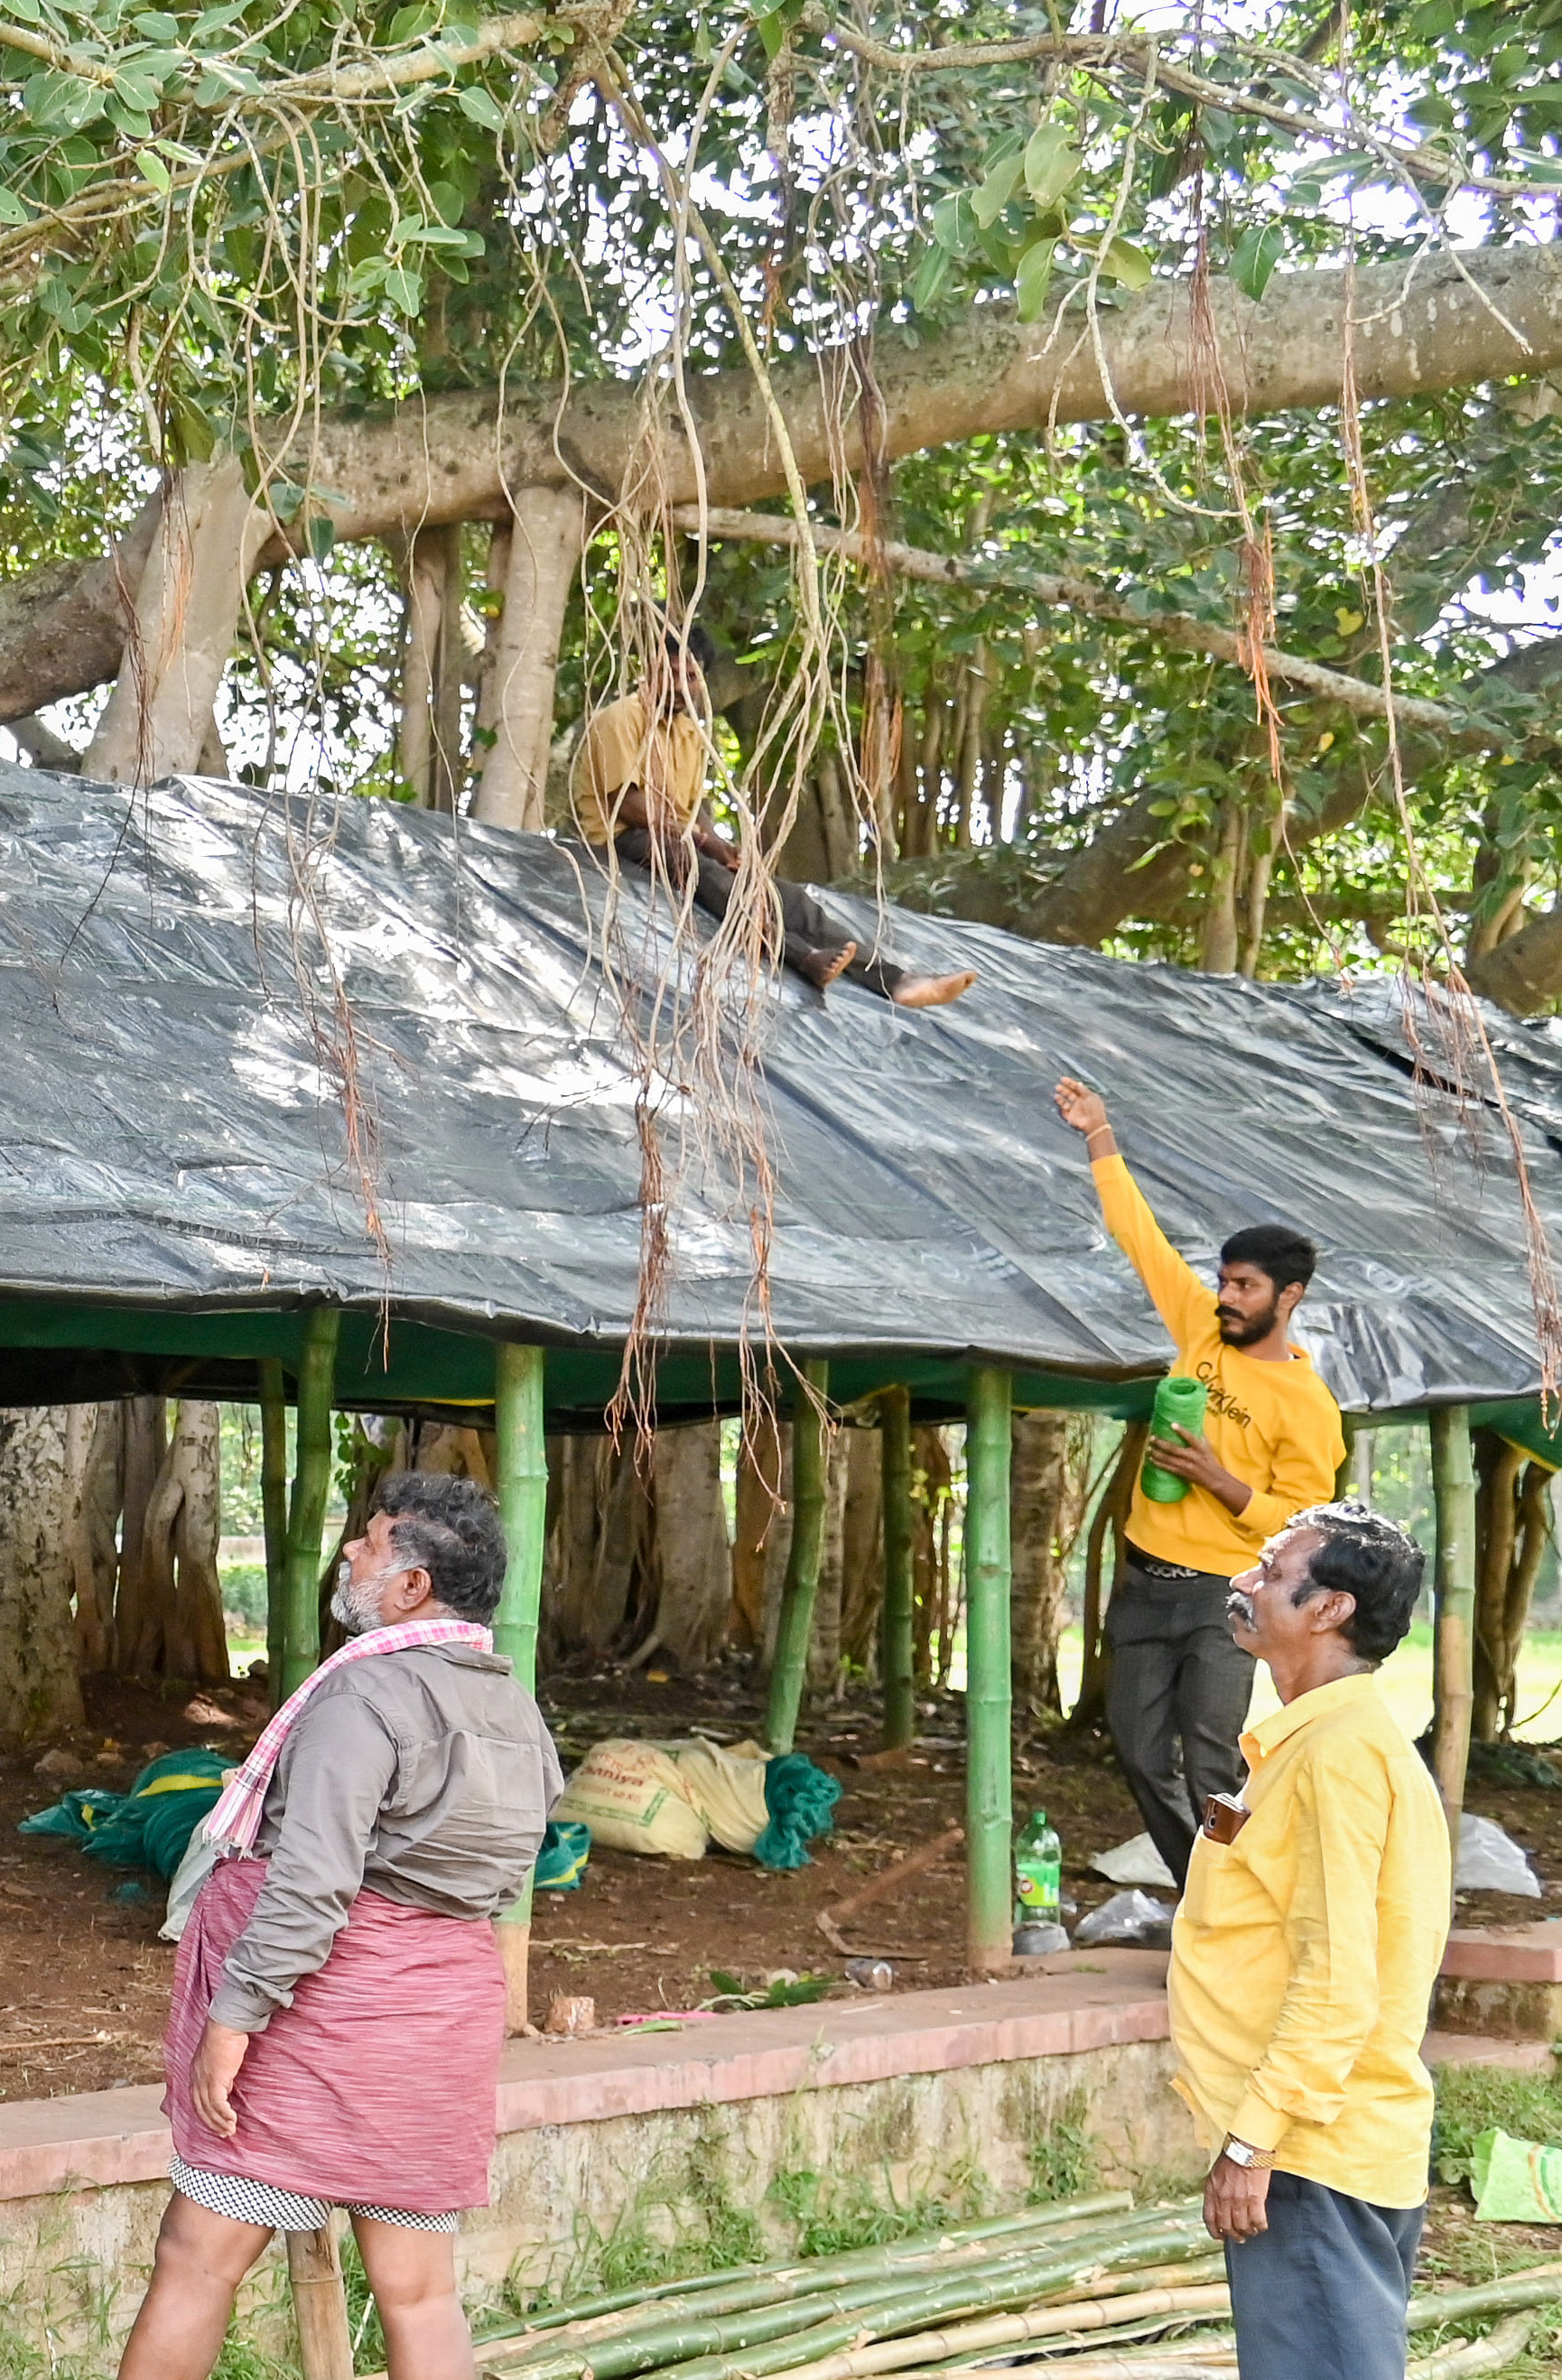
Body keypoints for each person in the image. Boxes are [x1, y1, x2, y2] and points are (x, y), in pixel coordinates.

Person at [0, 1473, 562, 2380]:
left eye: (367, 1546)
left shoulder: (363, 1698)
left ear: (412, 1584)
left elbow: (312, 1883)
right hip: (439, 2017)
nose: (347, 1555)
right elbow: (507, 1860)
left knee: (199, 2251)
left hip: (322, 2014)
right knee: (421, 2289)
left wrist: (235, 2016)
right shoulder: (509, 1701)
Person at [1169, 1502, 1445, 2380]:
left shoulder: (1341, 1754)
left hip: (1317, 2149)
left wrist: (1253, 2137)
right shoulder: (1304, 1735)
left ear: (1328, 1609)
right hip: (1313, 2138)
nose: (1247, 1578)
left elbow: (1338, 1977)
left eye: (1274, 1571)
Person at [1052, 1076, 1345, 1892]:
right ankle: (1204, 1894)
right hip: (1145, 1581)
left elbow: (1306, 1523)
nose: (1225, 1296)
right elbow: (1138, 1235)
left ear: (1289, 1297)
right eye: (1223, 1280)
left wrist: (1219, 1480)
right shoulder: (1200, 1331)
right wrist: (1098, 1133)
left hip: (1224, 1598)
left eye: (1244, 1286)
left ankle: (1240, 1894)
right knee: (1140, 1752)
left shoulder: (1308, 1405)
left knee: (1212, 1758)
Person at [569, 648, 973, 1008]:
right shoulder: (620, 719)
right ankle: (801, 957)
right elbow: (630, 805)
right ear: (646, 671)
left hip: (681, 837)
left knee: (785, 896)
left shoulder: (690, 731)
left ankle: (896, 980)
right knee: (704, 873)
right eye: (668, 673)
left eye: (689, 676)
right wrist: (703, 842)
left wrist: (723, 847)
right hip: (623, 838)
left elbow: (694, 808)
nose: (679, 685)